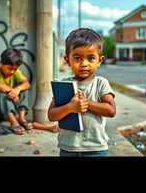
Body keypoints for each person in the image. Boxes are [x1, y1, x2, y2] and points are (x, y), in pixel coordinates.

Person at [48, 28, 116, 157]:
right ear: (67, 60)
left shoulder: (101, 83)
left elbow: (111, 110)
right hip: (68, 149)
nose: (84, 64)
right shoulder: (63, 85)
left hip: (96, 149)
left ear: (99, 61)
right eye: (78, 58)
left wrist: (86, 103)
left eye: (91, 58)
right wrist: (70, 107)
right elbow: (51, 115)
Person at [0, 48, 33, 134]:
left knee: (24, 90)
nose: (12, 72)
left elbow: (27, 84)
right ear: (1, 63)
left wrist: (17, 90)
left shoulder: (15, 72)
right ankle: (13, 122)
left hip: (6, 111)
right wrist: (14, 93)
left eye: (15, 69)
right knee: (1, 93)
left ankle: (21, 118)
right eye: (10, 68)